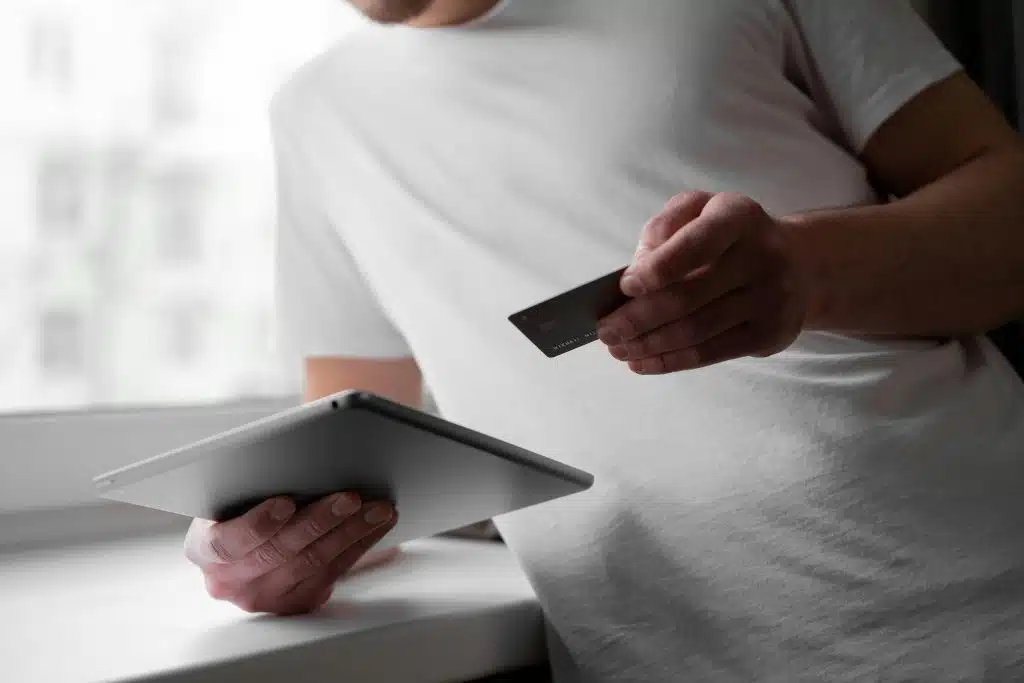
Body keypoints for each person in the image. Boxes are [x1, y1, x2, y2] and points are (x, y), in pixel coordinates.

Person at [184, 0, 1024, 679]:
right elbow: (359, 465)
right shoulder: (316, 117)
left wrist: (808, 270)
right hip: (653, 653)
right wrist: (267, 548)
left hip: (986, 606)